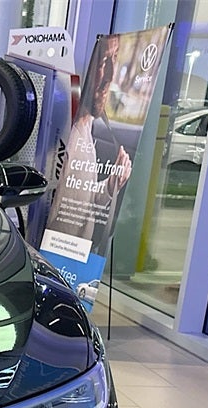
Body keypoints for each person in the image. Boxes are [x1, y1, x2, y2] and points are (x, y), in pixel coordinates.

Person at [49, 35, 132, 256]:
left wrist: (111, 184)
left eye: (115, 58)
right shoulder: (66, 136)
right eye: (104, 61)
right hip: (58, 258)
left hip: (77, 259)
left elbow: (84, 199)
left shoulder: (87, 130)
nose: (110, 76)